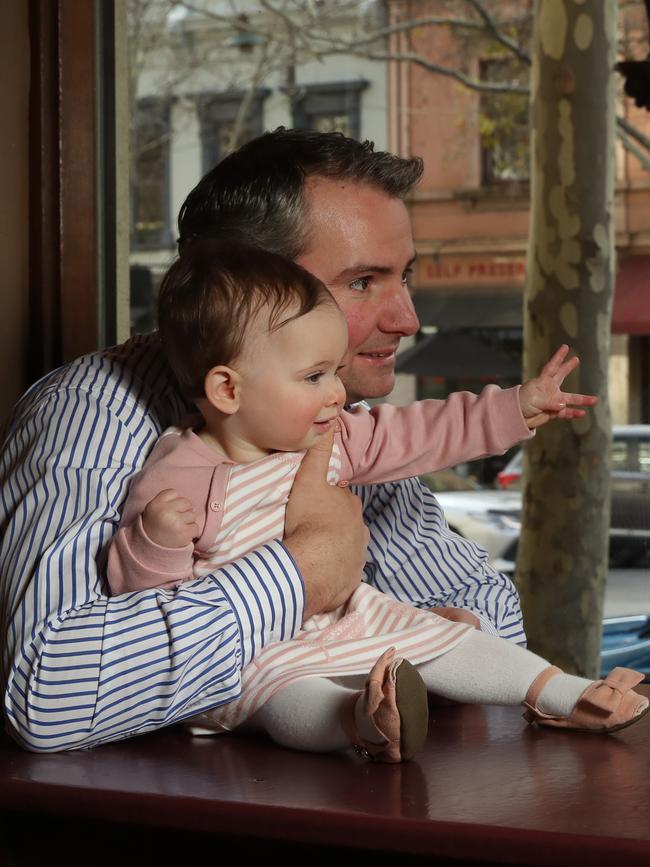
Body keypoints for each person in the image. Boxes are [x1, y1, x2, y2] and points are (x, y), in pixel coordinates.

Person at [0, 128, 585, 752]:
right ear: (242, 283)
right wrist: (302, 572)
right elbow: (46, 694)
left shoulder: (331, 413)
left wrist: (421, 637)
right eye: (362, 281)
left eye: (404, 277)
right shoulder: (91, 413)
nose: (408, 318)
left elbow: (484, 606)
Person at [106, 241, 648, 763]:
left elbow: (424, 431)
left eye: (335, 373)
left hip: (348, 613)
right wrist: (157, 544)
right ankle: (364, 719)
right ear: (228, 390)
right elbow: (152, 609)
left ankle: (566, 695)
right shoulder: (177, 475)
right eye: (315, 376)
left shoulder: (333, 435)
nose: (338, 394)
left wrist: (513, 408)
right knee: (284, 699)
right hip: (257, 652)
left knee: (443, 635)